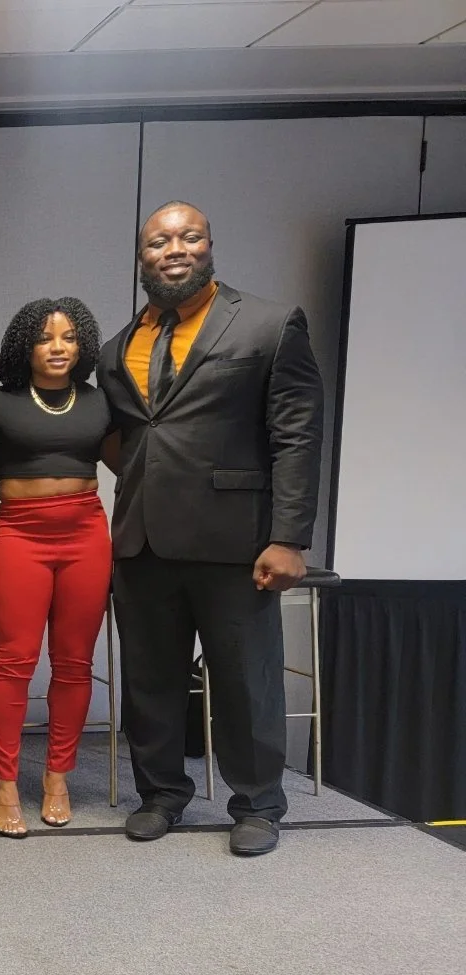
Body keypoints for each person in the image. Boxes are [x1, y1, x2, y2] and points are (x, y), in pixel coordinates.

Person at [99, 201, 323, 857]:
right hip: (142, 540)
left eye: (188, 236)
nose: (173, 249)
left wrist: (289, 537)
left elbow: (297, 436)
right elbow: (130, 438)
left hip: (237, 543)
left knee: (245, 678)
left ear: (209, 246)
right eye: (157, 242)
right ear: (141, 258)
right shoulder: (117, 348)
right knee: (150, 681)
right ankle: (160, 794)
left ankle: (257, 804)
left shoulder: (268, 324)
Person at [0, 298, 114, 837]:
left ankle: (57, 776)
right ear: (24, 346)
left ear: (83, 345)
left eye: (69, 337)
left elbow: (137, 463)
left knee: (74, 663)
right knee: (14, 661)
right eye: (45, 338)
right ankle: (4, 782)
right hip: (20, 534)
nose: (58, 347)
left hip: (86, 533)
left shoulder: (100, 402)